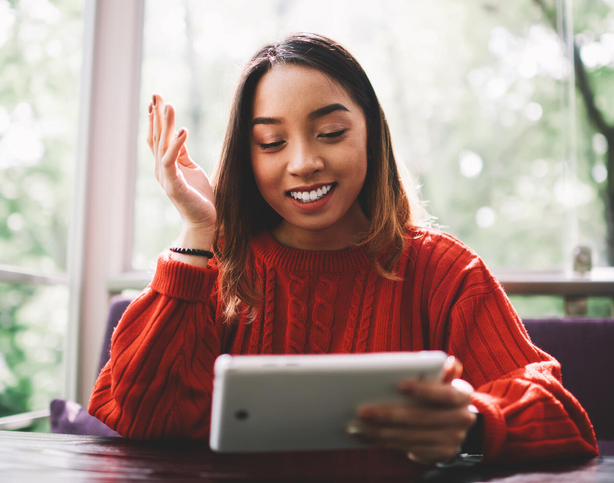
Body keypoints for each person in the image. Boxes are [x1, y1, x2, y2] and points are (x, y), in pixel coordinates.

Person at [88, 33, 598, 465]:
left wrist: (474, 426)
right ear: (248, 156)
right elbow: (139, 415)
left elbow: (564, 417)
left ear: (371, 133)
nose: (304, 162)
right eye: (271, 143)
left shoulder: (444, 271)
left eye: (330, 132)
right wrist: (198, 233)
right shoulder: (213, 268)